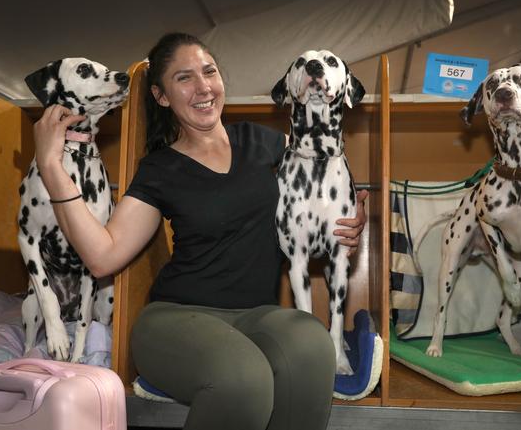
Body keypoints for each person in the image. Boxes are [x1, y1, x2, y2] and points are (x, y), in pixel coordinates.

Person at [33, 32, 367, 430]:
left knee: (313, 346)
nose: (203, 87)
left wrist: (352, 222)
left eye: (209, 72)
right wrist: (51, 166)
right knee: (244, 377)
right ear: (161, 96)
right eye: (184, 78)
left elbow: (323, 181)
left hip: (257, 314)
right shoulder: (161, 168)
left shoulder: (267, 143)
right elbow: (103, 255)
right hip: (176, 319)